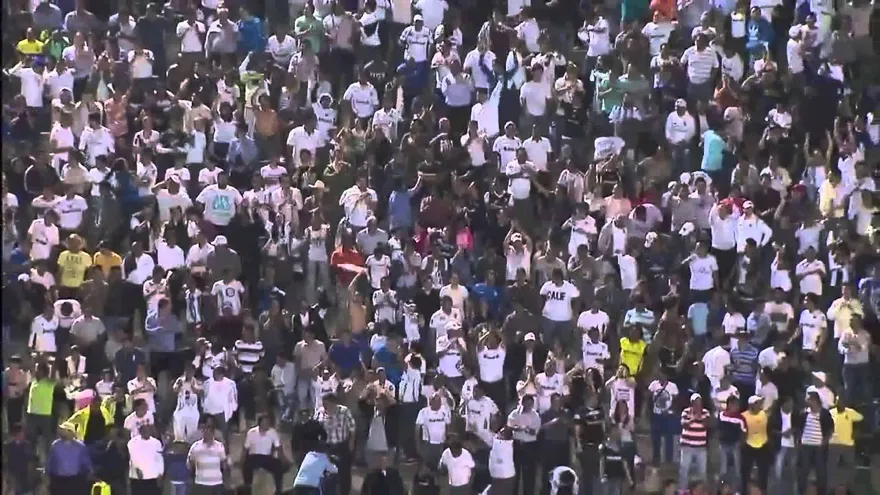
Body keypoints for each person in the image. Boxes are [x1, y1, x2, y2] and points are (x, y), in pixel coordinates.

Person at [242, 415, 287, 494]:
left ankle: (279, 490)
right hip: (254, 457)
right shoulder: (251, 432)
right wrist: (242, 459)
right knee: (246, 466)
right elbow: (246, 448)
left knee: (278, 466)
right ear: (260, 424)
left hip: (267, 457)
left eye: (268, 423)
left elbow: (278, 446)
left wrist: (283, 458)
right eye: (265, 423)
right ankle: (247, 488)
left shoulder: (272, 432)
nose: (267, 424)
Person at [46, 424, 91, 495]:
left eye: (64, 430)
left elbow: (86, 464)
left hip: (74, 481)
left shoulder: (80, 447)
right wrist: (47, 476)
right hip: (59, 481)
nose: (61, 432)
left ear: (71, 432)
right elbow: (50, 462)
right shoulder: (55, 445)